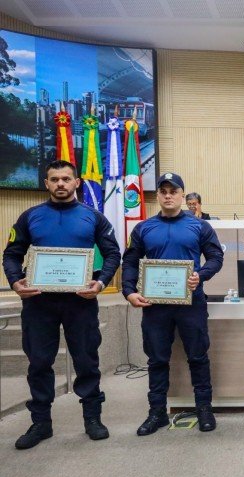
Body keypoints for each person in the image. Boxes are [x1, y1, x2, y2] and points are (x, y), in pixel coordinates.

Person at [2, 159, 121, 450]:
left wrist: (101, 283)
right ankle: (41, 423)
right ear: (46, 183)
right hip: (39, 303)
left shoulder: (93, 217)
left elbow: (113, 253)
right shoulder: (30, 216)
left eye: (66, 179)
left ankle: (92, 418)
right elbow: (12, 253)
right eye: (54, 179)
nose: (60, 184)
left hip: (80, 302)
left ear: (76, 182)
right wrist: (16, 281)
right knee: (39, 362)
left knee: (86, 361)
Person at [122, 173, 224, 436]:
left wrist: (200, 275)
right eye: (163, 191)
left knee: (198, 357)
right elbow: (131, 262)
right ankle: (156, 412)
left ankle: (204, 409)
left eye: (173, 191)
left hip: (192, 303)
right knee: (157, 360)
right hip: (154, 306)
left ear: (182, 195)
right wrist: (129, 292)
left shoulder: (199, 226)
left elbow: (215, 257)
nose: (168, 195)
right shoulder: (143, 228)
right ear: (158, 195)